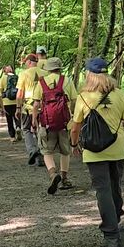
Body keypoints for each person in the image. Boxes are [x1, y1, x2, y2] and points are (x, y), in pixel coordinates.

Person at [70, 58, 124, 247]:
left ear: (89, 75)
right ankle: (116, 216)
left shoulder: (83, 97)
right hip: (117, 148)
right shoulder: (120, 95)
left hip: (94, 151)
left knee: (102, 189)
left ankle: (111, 234)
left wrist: (74, 144)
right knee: (115, 185)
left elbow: (75, 127)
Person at [32, 57, 77, 194]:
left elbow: (36, 104)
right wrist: (74, 116)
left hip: (47, 123)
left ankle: (52, 173)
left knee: (46, 151)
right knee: (65, 151)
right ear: (59, 68)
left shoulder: (41, 82)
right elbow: (74, 100)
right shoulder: (67, 80)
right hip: (64, 122)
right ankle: (64, 179)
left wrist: (34, 120)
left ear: (48, 69)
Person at [16, 54, 47, 167]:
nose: (24, 64)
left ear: (29, 62)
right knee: (40, 130)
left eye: (25, 62)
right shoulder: (45, 73)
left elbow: (20, 93)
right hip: (43, 107)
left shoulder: (24, 74)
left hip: (28, 107)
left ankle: (32, 150)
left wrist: (18, 107)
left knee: (27, 129)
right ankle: (41, 154)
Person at [0, 65, 21, 142]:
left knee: (9, 120)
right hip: (16, 101)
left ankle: (12, 136)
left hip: (6, 102)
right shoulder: (17, 77)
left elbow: (0, 90)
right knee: (17, 116)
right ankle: (18, 126)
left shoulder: (3, 78)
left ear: (4, 71)